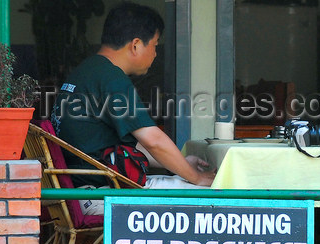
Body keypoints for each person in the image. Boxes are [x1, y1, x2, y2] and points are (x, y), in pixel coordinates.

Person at [51, 1, 214, 209]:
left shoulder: (87, 71)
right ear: (136, 45)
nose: (156, 53)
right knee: (213, 193)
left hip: (77, 193)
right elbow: (153, 141)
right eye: (155, 45)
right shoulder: (112, 79)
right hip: (101, 195)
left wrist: (181, 163)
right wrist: (197, 178)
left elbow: (128, 146)